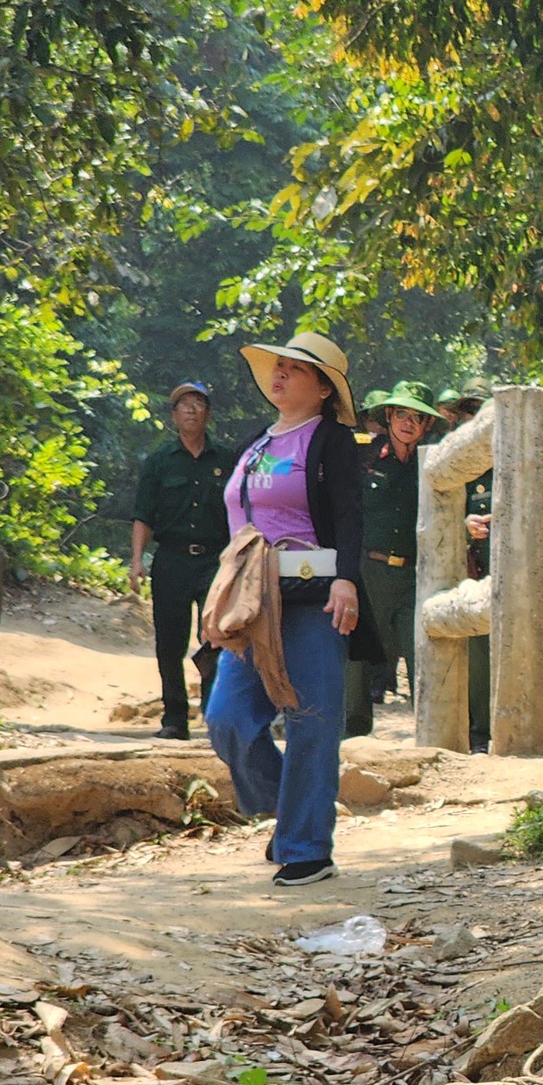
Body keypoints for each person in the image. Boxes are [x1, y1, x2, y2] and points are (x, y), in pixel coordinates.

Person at [204, 331, 385, 886]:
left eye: (294, 370)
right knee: (227, 720)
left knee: (312, 720)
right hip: (252, 602)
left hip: (314, 597)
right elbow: (236, 524)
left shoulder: (331, 441)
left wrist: (347, 581)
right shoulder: (255, 441)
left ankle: (308, 848)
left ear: (324, 387)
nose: (278, 376)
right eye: (276, 368)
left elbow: (351, 516)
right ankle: (293, 809)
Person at [461, 423, 543, 752]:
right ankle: (481, 735)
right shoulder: (465, 469)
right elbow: (443, 518)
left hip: (529, 579)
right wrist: (465, 526)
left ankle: (528, 728)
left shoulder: (537, 471)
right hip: (481, 581)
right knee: (481, 658)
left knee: (533, 648)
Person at [129, 381, 234, 740]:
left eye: (198, 404)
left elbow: (238, 512)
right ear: (174, 416)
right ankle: (174, 718)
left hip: (214, 562)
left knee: (216, 636)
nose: (191, 410)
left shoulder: (225, 460)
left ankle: (213, 714)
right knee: (169, 642)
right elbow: (143, 514)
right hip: (171, 561)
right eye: (183, 405)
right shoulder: (159, 462)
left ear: (208, 414)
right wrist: (136, 561)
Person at [344, 379, 437, 736]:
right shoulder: (362, 455)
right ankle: (352, 734)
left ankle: (431, 733)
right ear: (388, 415)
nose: (408, 423)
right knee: (358, 657)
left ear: (427, 425)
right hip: (368, 570)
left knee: (422, 651)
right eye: (402, 414)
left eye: (418, 417)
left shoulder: (435, 464)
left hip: (415, 575)